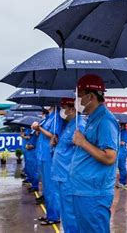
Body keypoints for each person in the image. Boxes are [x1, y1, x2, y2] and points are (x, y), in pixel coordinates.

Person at [69, 74, 119, 233]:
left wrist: (83, 142)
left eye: (79, 95)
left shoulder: (105, 120)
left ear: (91, 96)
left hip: (93, 194)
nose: (76, 100)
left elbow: (110, 157)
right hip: (84, 190)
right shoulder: (92, 118)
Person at [51, 98, 85, 233]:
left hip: (68, 175)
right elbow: (66, 147)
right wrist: (56, 142)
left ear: (72, 109)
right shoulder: (69, 125)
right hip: (61, 174)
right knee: (65, 211)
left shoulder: (79, 126)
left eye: (64, 107)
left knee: (71, 213)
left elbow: (81, 150)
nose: (62, 111)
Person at [32, 106, 64, 226]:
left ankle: (55, 216)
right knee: (46, 188)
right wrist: (38, 129)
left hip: (49, 156)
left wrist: (39, 128)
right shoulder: (48, 118)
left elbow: (54, 136)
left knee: (52, 188)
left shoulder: (57, 118)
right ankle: (49, 214)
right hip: (43, 155)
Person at [116, 122, 127, 188]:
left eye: (120, 125)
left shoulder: (124, 132)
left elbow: (123, 142)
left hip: (122, 151)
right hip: (119, 150)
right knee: (119, 166)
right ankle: (121, 181)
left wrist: (116, 141)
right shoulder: (119, 132)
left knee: (122, 166)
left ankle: (123, 182)